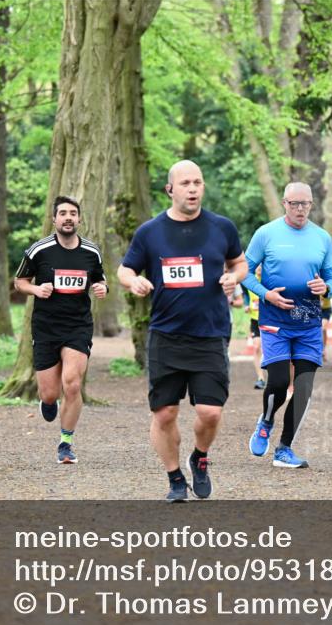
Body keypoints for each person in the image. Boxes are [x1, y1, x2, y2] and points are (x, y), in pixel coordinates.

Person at [117, 160, 247, 503]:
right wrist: (134, 281)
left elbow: (240, 262)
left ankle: (199, 457)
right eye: (185, 183)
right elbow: (124, 270)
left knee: (210, 412)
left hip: (210, 332)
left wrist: (235, 277)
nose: (193, 189)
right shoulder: (150, 232)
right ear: (170, 190)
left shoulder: (222, 227)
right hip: (166, 334)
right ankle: (175, 478)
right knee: (164, 413)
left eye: (198, 182)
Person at [241, 182, 332, 469]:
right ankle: (266, 421)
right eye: (294, 204)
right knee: (280, 382)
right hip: (275, 320)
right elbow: (243, 271)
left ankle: (284, 449)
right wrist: (265, 293)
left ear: (311, 204)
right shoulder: (266, 233)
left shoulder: (322, 238)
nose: (300, 209)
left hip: (308, 322)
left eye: (305, 204)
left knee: (304, 387)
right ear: (284, 203)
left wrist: (326, 287)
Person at [13, 195, 107, 465]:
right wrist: (36, 289)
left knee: (73, 384)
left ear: (79, 219)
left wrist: (103, 288)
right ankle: (48, 402)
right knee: (50, 393)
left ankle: (66, 443)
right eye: (62, 213)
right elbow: (19, 281)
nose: (68, 217)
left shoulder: (91, 251)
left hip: (78, 325)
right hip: (45, 327)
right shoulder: (38, 250)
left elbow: (100, 279)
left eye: (73, 213)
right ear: (54, 219)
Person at [242, 266, 267, 389]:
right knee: (256, 347)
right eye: (257, 265)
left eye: (262, 265)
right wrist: (246, 304)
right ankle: (260, 378)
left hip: (269, 319)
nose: (259, 268)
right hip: (255, 319)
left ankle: (275, 377)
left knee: (268, 349)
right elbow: (245, 293)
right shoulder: (250, 280)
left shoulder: (270, 280)